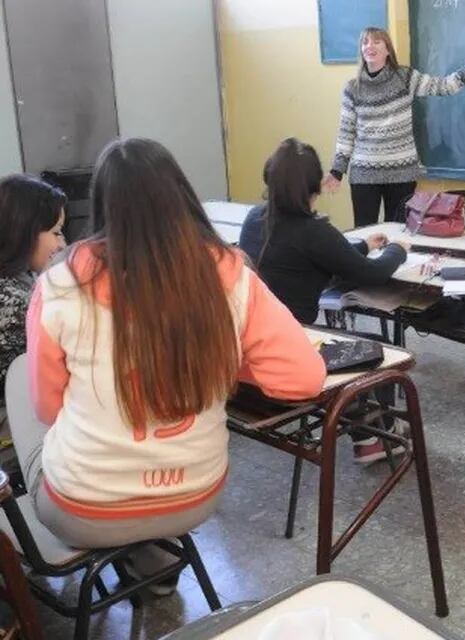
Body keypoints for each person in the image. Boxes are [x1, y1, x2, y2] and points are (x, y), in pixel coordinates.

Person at [6, 138, 325, 592]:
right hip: (193, 498)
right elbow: (304, 378)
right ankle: (152, 556)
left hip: (81, 510)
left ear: (101, 207)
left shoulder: (60, 284)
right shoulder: (233, 274)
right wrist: (219, 356)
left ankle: (135, 552)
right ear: (183, 195)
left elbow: (48, 406)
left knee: (26, 388)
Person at [239, 137, 407, 464]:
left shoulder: (254, 219)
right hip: (293, 349)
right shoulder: (313, 231)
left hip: (251, 351)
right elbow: (371, 275)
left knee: (352, 344)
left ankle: (369, 429)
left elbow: (310, 259)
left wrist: (362, 246)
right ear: (314, 188)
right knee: (379, 349)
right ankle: (372, 437)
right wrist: (397, 250)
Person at [323, 26, 465, 227]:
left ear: (388, 50)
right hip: (364, 174)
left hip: (402, 171)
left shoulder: (405, 77)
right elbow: (346, 133)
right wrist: (337, 171)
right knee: (365, 232)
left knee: (399, 232)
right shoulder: (352, 88)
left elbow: (442, 86)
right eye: (365, 42)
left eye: (376, 41)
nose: (369, 46)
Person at [0, 175, 66, 441]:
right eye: (56, 232)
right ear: (24, 233)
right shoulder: (13, 303)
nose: (62, 243)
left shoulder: (19, 280)